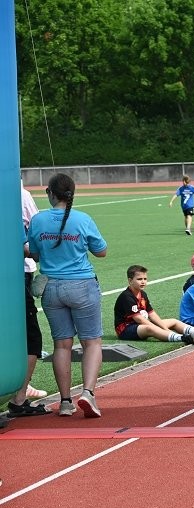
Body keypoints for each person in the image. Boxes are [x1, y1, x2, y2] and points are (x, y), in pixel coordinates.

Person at [28, 173, 107, 418]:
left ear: (50, 193)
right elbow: (101, 251)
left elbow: (35, 254)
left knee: (62, 345)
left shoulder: (38, 220)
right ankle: (88, 393)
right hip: (82, 285)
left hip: (51, 287)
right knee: (91, 342)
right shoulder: (82, 218)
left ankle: (64, 401)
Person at [8, 185, 50, 417]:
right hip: (14, 275)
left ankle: (20, 389)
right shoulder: (18, 194)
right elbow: (34, 231)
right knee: (31, 338)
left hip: (17, 274)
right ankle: (19, 396)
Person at [114, 265, 194, 344]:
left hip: (139, 326)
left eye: (145, 279)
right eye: (139, 279)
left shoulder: (142, 294)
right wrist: (162, 329)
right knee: (150, 328)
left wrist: (162, 326)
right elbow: (139, 319)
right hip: (126, 329)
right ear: (130, 281)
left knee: (173, 321)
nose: (143, 282)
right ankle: (182, 338)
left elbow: (152, 314)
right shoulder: (127, 296)